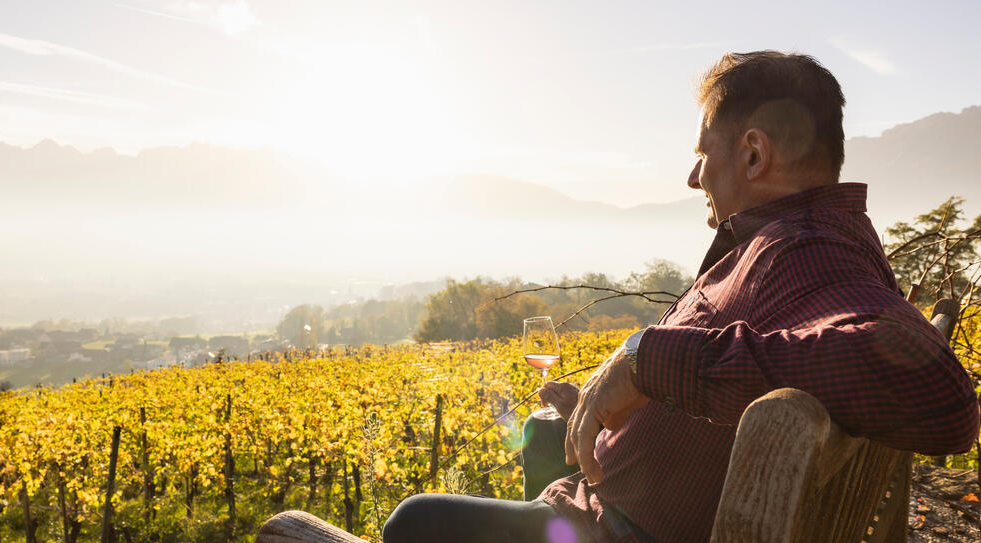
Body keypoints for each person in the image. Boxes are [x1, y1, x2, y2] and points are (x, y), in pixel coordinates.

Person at [381, 50, 980, 543]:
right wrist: (615, 408)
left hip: (615, 533)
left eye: (702, 153)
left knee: (416, 523)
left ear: (753, 153)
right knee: (543, 434)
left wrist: (651, 361)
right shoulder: (794, 242)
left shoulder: (805, 249)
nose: (694, 178)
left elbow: (940, 394)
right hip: (609, 505)